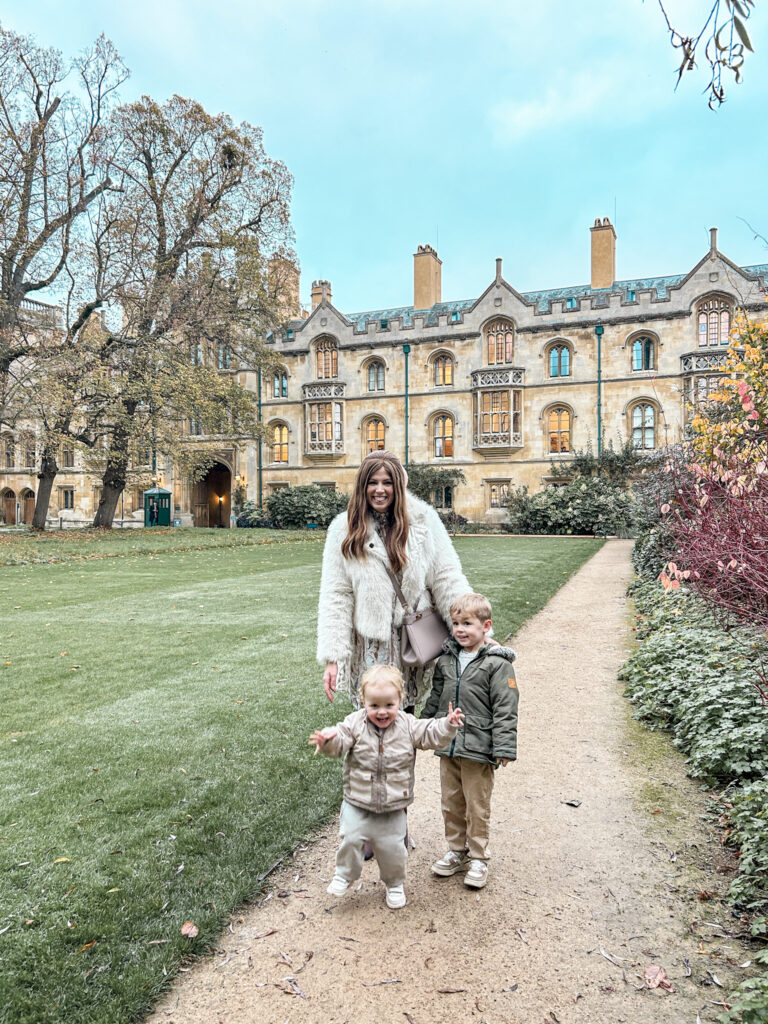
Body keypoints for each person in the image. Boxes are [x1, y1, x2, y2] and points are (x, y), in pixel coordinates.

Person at [316, 450, 471, 711]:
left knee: (404, 721)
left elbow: (447, 578)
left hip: (410, 640)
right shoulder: (343, 529)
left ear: (399, 484)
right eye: (372, 482)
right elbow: (336, 594)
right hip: (369, 644)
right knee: (370, 719)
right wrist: (334, 656)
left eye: (387, 482)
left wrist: (475, 630)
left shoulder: (423, 521)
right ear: (362, 485)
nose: (379, 490)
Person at [309, 664, 464, 909]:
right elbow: (340, 738)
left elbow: (430, 733)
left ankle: (394, 884)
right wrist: (327, 740)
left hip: (394, 804)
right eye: (374, 706)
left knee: (393, 848)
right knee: (350, 837)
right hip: (357, 800)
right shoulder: (355, 723)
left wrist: (448, 724)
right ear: (363, 702)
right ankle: (345, 874)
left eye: (389, 705)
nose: (382, 712)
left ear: (400, 700)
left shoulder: (408, 724)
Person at [421, 592, 518, 890]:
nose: (461, 629)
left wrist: (503, 746)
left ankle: (478, 856)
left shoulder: (497, 664)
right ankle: (455, 851)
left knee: (476, 804)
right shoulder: (447, 660)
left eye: (468, 623)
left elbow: (506, 706)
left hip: (479, 746)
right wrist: (423, 726)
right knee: (451, 802)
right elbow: (436, 698)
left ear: (486, 626)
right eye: (456, 624)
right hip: (449, 744)